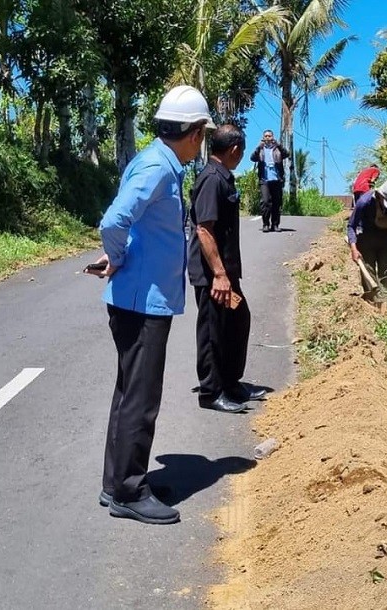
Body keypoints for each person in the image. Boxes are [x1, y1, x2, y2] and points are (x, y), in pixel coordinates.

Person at [87, 85, 215, 525]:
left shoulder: (157, 163)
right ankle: (129, 491)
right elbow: (114, 219)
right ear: (195, 133)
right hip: (143, 305)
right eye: (202, 134)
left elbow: (131, 222)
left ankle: (117, 482)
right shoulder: (158, 169)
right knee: (141, 399)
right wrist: (118, 256)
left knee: (129, 394)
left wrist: (118, 254)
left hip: (139, 299)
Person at [187, 124, 267, 413]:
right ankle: (211, 392)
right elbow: (204, 230)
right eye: (242, 152)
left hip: (226, 271)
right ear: (234, 150)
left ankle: (231, 382)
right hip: (212, 274)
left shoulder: (223, 177)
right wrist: (219, 275)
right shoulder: (211, 179)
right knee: (212, 331)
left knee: (236, 322)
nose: (242, 156)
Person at [346, 179, 387, 314]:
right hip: (367, 238)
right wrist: (354, 248)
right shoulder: (365, 202)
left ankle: (385, 305)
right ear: (379, 196)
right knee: (368, 271)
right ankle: (371, 306)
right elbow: (351, 225)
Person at [250, 129, 289, 232]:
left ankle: (275, 225)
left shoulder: (277, 149)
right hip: (264, 180)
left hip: (276, 179)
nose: (268, 138)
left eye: (269, 136)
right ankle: (265, 224)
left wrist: (279, 145)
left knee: (277, 203)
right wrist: (258, 147)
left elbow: (286, 154)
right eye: (266, 136)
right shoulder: (261, 149)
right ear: (263, 138)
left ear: (273, 137)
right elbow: (252, 158)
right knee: (265, 202)